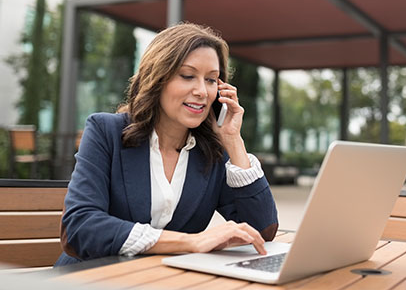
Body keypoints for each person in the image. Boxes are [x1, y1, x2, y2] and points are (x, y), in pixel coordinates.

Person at [55, 23, 278, 266]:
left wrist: (234, 141)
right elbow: (80, 228)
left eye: (212, 80)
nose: (202, 91)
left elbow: (262, 230)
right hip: (89, 285)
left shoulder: (211, 152)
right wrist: (189, 242)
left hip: (164, 286)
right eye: (187, 76)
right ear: (157, 78)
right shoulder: (105, 131)